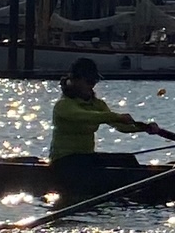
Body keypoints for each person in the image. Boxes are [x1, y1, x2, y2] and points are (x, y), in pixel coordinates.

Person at [50, 57, 162, 197]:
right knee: (111, 174)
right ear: (75, 81)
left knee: (127, 160)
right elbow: (85, 116)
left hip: (86, 158)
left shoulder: (97, 104)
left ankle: (147, 190)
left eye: (95, 82)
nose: (92, 86)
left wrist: (145, 128)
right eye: (89, 81)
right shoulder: (63, 105)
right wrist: (115, 116)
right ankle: (144, 191)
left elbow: (121, 127)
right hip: (64, 162)